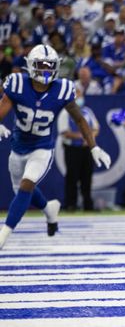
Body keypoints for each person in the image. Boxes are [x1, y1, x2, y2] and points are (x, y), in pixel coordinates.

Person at [0, 44, 112, 249]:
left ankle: (4, 234)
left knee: (26, 184)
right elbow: (3, 106)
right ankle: (49, 209)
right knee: (22, 190)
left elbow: (79, 120)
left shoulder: (62, 89)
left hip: (42, 147)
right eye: (41, 65)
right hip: (18, 147)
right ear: (30, 66)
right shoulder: (17, 83)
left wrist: (93, 146)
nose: (45, 70)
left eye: (49, 66)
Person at [56, 85, 100, 211]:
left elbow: (96, 128)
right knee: (72, 177)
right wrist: (83, 137)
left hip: (87, 149)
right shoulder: (65, 112)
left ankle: (88, 205)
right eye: (77, 94)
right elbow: (64, 132)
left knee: (87, 177)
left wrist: (90, 138)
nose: (79, 97)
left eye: (80, 94)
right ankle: (71, 204)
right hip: (72, 149)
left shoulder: (88, 111)